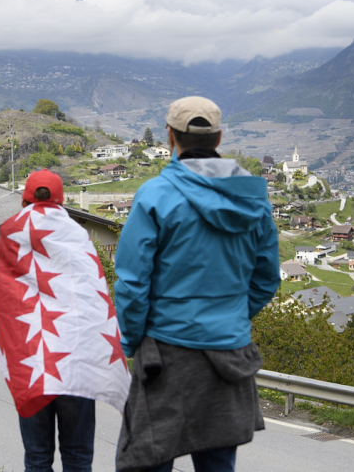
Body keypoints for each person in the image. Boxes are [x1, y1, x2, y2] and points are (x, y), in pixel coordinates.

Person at [113, 96, 281, 472]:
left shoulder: (155, 196)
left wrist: (129, 340)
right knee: (218, 464)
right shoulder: (254, 200)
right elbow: (267, 278)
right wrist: (232, 314)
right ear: (218, 138)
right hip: (230, 355)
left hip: (167, 354)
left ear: (170, 137)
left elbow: (132, 282)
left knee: (145, 460)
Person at [0, 169, 130, 472]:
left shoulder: (11, 234)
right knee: (78, 459)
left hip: (32, 363)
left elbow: (2, 303)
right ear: (61, 200)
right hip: (76, 363)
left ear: (26, 199)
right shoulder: (77, 236)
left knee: (37, 460)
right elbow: (96, 302)